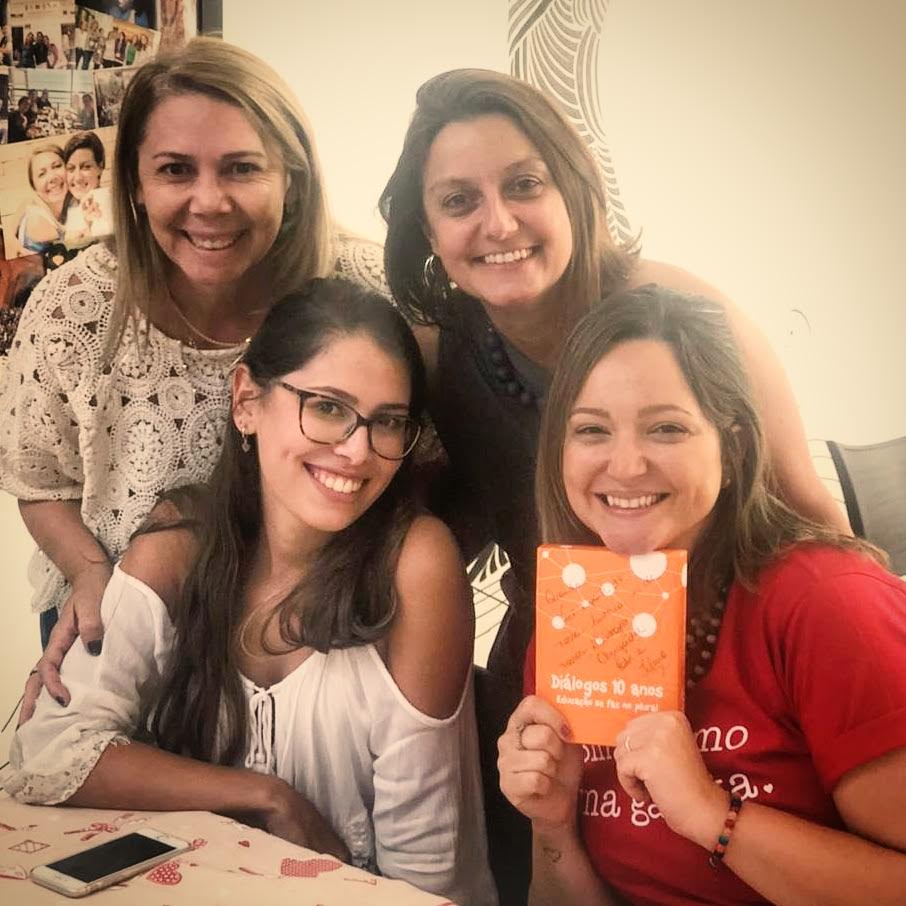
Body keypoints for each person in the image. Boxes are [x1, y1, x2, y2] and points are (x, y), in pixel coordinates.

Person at [4, 280, 498, 906]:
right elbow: (49, 753)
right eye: (327, 407)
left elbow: (427, 872)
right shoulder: (178, 547)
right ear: (246, 402)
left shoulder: (413, 565)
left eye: (388, 422)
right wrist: (265, 796)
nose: (357, 451)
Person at [379, 68, 850, 696]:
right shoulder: (438, 355)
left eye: (524, 185)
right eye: (459, 201)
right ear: (429, 232)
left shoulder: (684, 315)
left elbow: (809, 515)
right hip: (558, 674)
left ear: (574, 191)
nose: (499, 224)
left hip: (735, 668)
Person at [0, 37, 385, 712]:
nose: (209, 202)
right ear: (135, 184)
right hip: (117, 619)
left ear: (291, 178)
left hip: (312, 641)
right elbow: (41, 481)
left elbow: (426, 472)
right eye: (175, 170)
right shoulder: (71, 309)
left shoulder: (370, 292)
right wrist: (88, 571)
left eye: (242, 168)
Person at [497, 285, 906, 905]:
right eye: (592, 430)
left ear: (733, 447)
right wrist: (552, 825)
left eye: (666, 428)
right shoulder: (572, 626)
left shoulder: (830, 605)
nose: (625, 465)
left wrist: (711, 815)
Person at [15, 145, 67, 254]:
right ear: (34, 187)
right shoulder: (37, 220)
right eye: (42, 174)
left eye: (57, 166)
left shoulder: (68, 206)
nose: (52, 177)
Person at [62, 131, 111, 242]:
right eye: (70, 168)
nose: (78, 177)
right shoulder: (71, 210)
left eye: (86, 167)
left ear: (100, 167)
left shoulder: (111, 204)